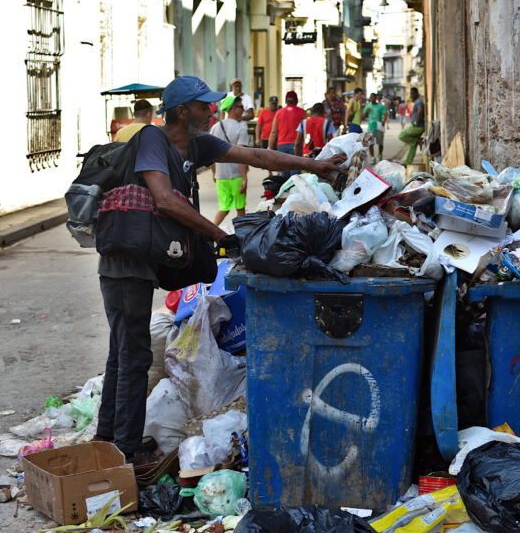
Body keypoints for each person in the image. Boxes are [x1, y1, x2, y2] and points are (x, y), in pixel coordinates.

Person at [94, 76, 346, 465]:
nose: (212, 110)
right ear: (182, 111)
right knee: (133, 355)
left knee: (123, 351)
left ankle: (106, 439)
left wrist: (315, 165)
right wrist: (219, 235)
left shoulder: (198, 144)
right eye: (204, 105)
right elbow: (164, 200)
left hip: (143, 261)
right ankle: (124, 449)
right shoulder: (151, 140)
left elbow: (257, 157)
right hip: (125, 263)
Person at [210, 96, 249, 226]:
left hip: (221, 176)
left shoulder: (215, 128)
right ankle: (241, 237)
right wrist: (245, 178)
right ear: (232, 108)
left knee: (224, 208)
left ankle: (208, 235)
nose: (243, 110)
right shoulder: (240, 129)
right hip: (236, 176)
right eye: (241, 107)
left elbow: (212, 155)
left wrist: (214, 174)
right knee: (240, 208)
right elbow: (241, 156)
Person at [268, 91, 306, 178]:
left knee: (284, 176)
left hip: (282, 146)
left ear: (286, 101)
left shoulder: (279, 113)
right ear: (296, 101)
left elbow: (274, 132)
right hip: (297, 146)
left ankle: (286, 190)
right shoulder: (302, 113)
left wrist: (270, 148)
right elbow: (306, 129)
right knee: (296, 175)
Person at [398, 87, 426, 165]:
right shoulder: (417, 101)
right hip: (418, 126)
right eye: (411, 93)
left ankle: (415, 141)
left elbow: (420, 110)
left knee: (401, 135)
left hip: (418, 127)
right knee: (412, 146)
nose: (411, 95)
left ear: (417, 93)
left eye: (413, 93)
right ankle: (408, 162)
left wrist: (416, 122)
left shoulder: (419, 101)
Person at [363, 93, 388, 162]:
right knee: (370, 144)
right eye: (371, 97)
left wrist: (383, 120)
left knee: (380, 143)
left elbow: (385, 114)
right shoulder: (368, 106)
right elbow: (363, 116)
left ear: (376, 98)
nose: (372, 99)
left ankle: (380, 155)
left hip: (379, 127)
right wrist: (366, 112)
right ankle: (372, 157)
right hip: (370, 127)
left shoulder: (380, 106)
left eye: (373, 97)